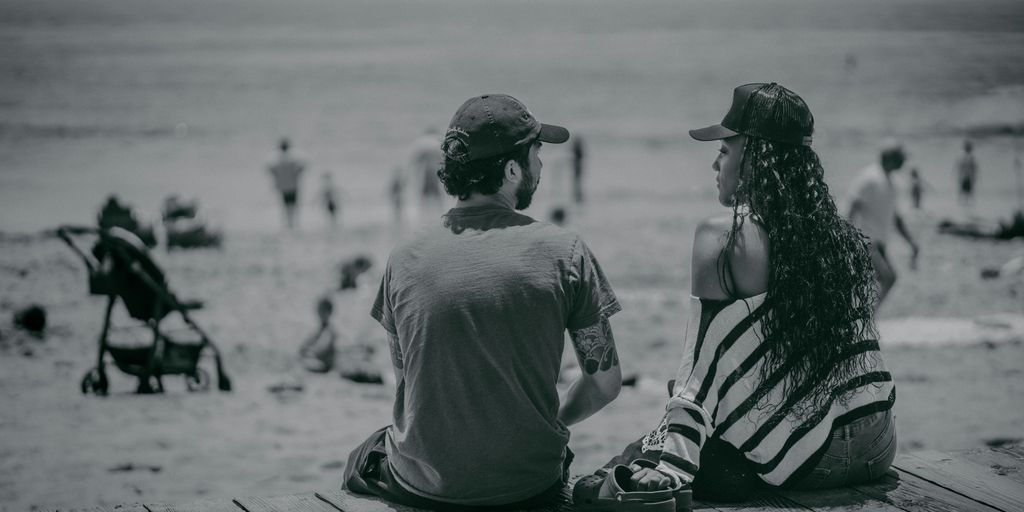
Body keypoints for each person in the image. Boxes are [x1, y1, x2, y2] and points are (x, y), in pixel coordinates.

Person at [604, 83, 896, 501]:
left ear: (755, 157)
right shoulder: (841, 239)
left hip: (810, 463)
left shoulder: (723, 236)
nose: (715, 163)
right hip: (879, 443)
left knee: (647, 448)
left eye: (724, 151)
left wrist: (672, 464)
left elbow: (700, 362)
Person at [343, 94, 636, 510]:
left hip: (426, 486)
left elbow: (408, 382)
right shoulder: (564, 251)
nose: (541, 165)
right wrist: (549, 423)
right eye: (537, 153)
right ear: (512, 169)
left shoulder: (403, 257)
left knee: (363, 457)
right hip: (529, 483)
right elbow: (605, 385)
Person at [848, 138, 919, 310]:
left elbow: (895, 217)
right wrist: (848, 237)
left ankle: (864, 319)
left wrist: (911, 242)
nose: (903, 161)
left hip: (880, 243)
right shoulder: (870, 177)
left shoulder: (893, 181)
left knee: (876, 282)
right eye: (900, 157)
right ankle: (866, 319)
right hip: (866, 241)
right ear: (890, 158)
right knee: (887, 278)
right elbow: (853, 206)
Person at [267, 138, 306, 229]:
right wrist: (297, 175)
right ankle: (294, 224)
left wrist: (277, 178)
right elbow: (303, 166)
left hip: (283, 186)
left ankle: (288, 224)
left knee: (285, 206)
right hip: (293, 185)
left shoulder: (276, 159)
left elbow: (269, 168)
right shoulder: (294, 158)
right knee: (293, 206)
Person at [299, 296, 337, 373]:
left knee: (302, 364)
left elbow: (322, 346)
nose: (319, 313)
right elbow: (309, 341)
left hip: (324, 365)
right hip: (317, 359)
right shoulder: (320, 329)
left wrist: (310, 352)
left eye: (322, 310)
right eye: (319, 310)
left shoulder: (329, 330)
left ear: (329, 312)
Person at [956, 139, 979, 207]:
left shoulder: (961, 156)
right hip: (967, 176)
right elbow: (974, 168)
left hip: (964, 176)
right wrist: (975, 176)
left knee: (963, 190)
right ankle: (967, 203)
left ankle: (961, 203)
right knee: (968, 190)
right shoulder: (970, 157)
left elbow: (958, 167)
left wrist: (958, 175)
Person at [571, 135, 586, 204]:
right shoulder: (579, 150)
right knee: (578, 181)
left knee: (577, 181)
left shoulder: (576, 150)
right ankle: (578, 195)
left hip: (576, 167)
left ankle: (577, 195)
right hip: (578, 166)